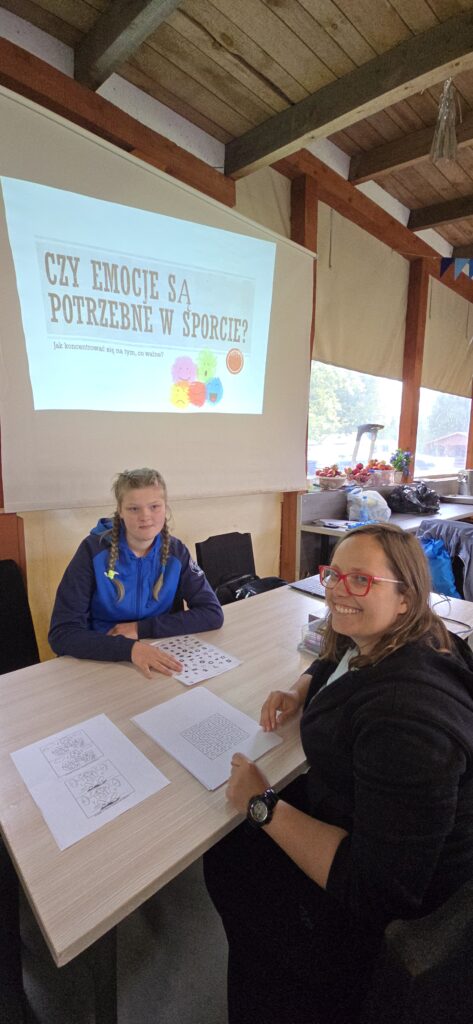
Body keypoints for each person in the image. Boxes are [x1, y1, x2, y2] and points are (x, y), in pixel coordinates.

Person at [204, 523, 473, 1024]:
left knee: (230, 858)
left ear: (405, 596)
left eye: (361, 580)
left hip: (379, 912)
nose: (338, 592)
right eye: (334, 575)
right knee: (232, 847)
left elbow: (377, 887)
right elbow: (335, 654)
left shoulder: (406, 722)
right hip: (374, 822)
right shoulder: (411, 635)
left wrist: (262, 804)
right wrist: (298, 691)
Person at [49, 468, 223, 677]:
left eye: (154, 506)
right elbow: (63, 633)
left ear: (165, 508)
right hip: (103, 658)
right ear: (120, 511)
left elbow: (212, 613)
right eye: (133, 508)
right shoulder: (91, 551)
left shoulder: (177, 552)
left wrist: (141, 629)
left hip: (159, 654)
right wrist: (129, 649)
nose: (145, 517)